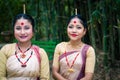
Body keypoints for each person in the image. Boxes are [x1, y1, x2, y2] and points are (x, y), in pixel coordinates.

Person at [0, 13, 50, 80]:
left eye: (26, 28)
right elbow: (1, 76)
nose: (22, 32)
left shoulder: (41, 53)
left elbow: (45, 78)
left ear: (33, 31)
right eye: (18, 28)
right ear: (13, 30)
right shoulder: (5, 50)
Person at [52, 14, 96, 80]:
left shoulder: (88, 50)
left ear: (84, 31)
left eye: (78, 27)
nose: (74, 31)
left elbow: (88, 77)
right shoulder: (59, 47)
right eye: (71, 27)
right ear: (66, 28)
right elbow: (54, 73)